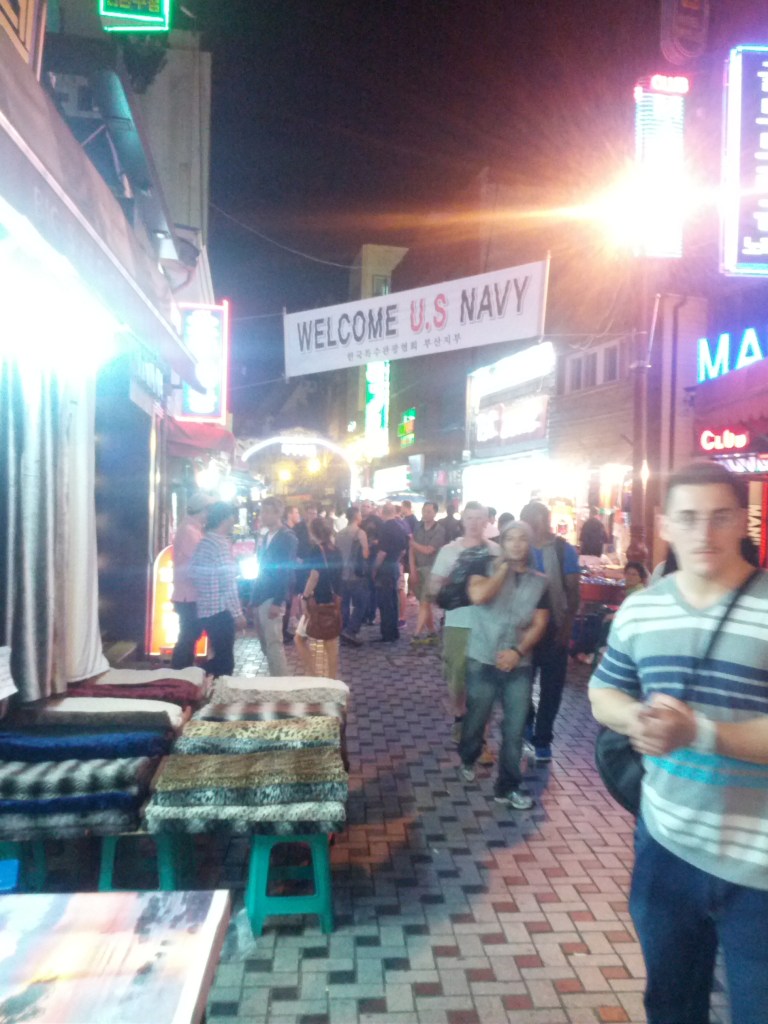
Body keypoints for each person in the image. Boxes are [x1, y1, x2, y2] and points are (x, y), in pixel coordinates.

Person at [589, 461, 768, 1024]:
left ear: (743, 520)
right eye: (688, 518)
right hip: (666, 846)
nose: (704, 532)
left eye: (720, 516)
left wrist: (699, 732)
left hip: (759, 864)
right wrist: (636, 717)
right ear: (665, 524)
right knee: (670, 1006)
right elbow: (603, 692)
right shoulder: (642, 608)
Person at [458, 521, 550, 808]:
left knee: (515, 728)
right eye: (510, 538)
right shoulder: (483, 566)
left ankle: (507, 787)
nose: (516, 544)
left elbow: (540, 623)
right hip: (482, 657)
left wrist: (518, 651)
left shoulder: (540, 581)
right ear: (502, 541)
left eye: (523, 539)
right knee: (477, 718)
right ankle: (468, 755)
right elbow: (479, 596)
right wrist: (502, 569)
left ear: (529, 544)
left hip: (519, 664)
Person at [429, 501, 499, 754]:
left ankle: (481, 735)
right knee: (457, 677)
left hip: (488, 625)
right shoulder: (449, 551)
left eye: (479, 518)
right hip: (458, 623)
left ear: (486, 521)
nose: (474, 523)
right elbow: (434, 586)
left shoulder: (496, 551)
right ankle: (460, 716)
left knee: (485, 682)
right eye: (470, 518)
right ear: (463, 520)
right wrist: (452, 586)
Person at [520, 500, 581, 762]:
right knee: (521, 683)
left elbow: (574, 591)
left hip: (555, 627)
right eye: (529, 520)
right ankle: (526, 721)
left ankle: (543, 737)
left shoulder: (562, 550)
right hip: (522, 629)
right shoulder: (519, 548)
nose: (535, 526)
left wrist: (567, 626)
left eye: (538, 520)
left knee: (552, 688)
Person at [188, 501, 245, 678]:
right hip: (220, 610)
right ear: (225, 519)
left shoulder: (205, 542)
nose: (234, 520)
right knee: (225, 662)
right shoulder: (219, 544)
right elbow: (228, 583)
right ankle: (198, 679)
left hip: (205, 608)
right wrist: (238, 614)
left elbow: (192, 572)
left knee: (221, 656)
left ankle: (202, 681)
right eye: (232, 516)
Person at [251, 496, 298, 676]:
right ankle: (276, 679)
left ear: (278, 514)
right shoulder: (265, 536)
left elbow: (285, 571)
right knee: (266, 644)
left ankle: (281, 683)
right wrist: (254, 599)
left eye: (266, 512)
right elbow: (261, 568)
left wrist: (278, 601)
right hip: (261, 593)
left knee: (274, 643)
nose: (262, 516)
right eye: (261, 512)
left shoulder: (287, 537)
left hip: (273, 595)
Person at [295, 516, 344, 679]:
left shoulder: (316, 550)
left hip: (317, 600)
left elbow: (314, 576)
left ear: (312, 532)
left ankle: (314, 675)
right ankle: (332, 680)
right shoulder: (336, 550)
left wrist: (304, 597)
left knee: (299, 639)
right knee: (331, 643)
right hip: (334, 599)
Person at [170, 491, 213, 669]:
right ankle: (179, 672)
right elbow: (199, 560)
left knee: (190, 634)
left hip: (189, 593)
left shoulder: (193, 529)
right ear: (202, 510)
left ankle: (182, 671)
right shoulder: (190, 531)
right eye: (209, 510)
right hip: (188, 594)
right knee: (188, 635)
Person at [409, 501, 446, 643]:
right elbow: (411, 550)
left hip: (432, 569)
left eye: (429, 511)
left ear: (435, 513)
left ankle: (416, 634)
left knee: (425, 602)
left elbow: (429, 550)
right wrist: (412, 568)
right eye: (424, 511)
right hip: (418, 568)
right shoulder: (417, 527)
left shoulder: (439, 530)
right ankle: (432, 632)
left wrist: (413, 543)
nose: (425, 514)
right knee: (424, 603)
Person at [372, 502, 408, 642]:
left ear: (383, 512)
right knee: (393, 600)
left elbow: (382, 552)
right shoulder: (400, 526)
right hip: (394, 565)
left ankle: (387, 633)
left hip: (385, 568)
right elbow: (404, 550)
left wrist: (374, 568)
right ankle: (393, 631)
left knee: (385, 601)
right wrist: (396, 559)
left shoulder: (385, 528)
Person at [336, 505, 369, 646]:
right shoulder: (360, 533)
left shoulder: (339, 534)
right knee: (361, 604)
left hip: (341, 574)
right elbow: (365, 554)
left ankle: (343, 630)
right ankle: (351, 630)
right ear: (356, 516)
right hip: (355, 574)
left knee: (343, 605)